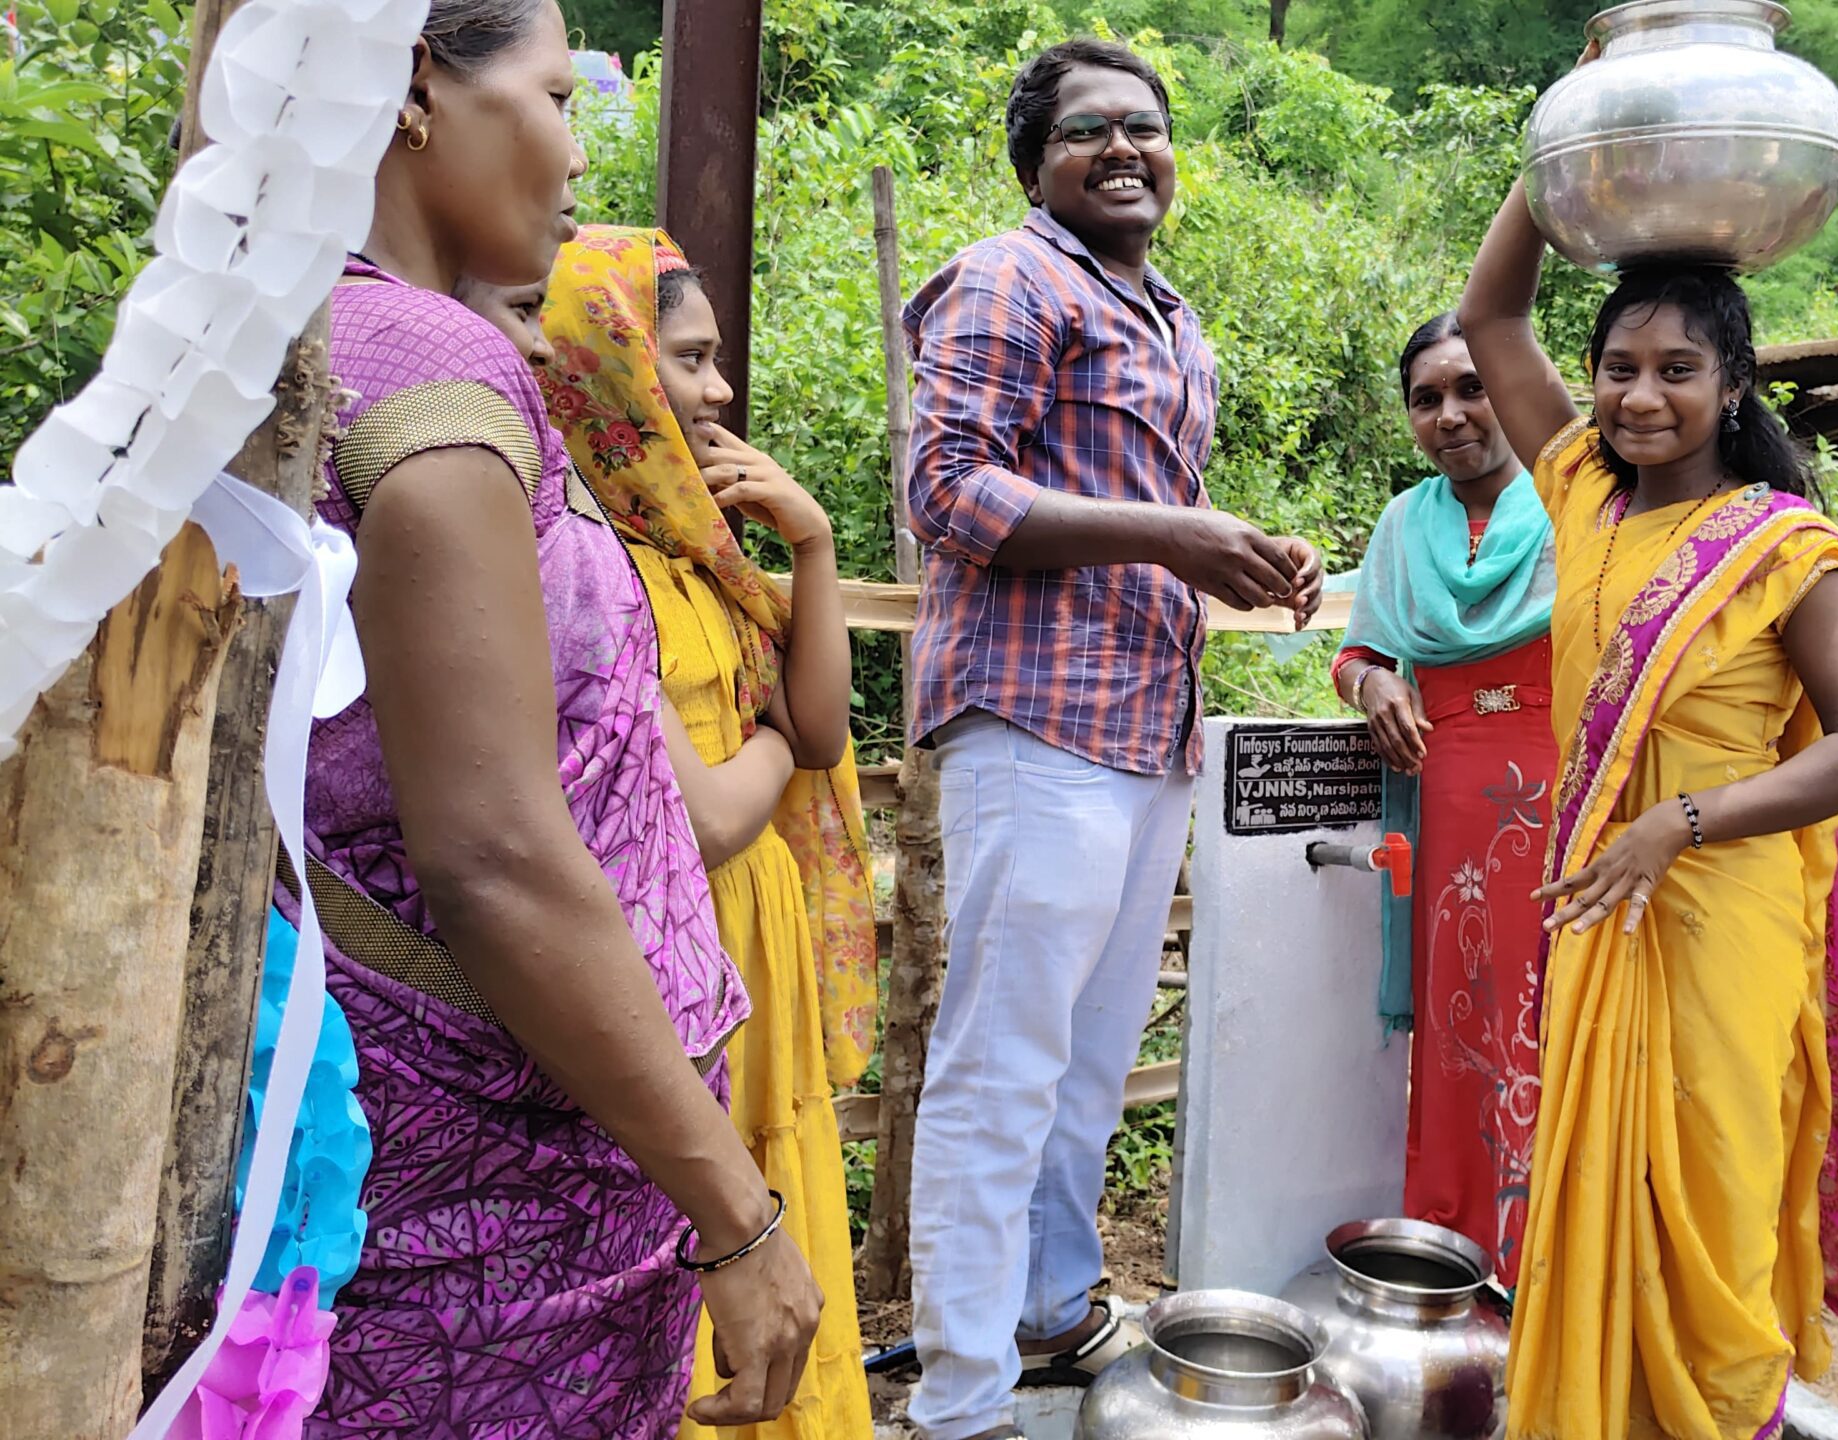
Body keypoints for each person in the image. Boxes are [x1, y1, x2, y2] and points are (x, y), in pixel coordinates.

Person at [291, 1, 818, 1433]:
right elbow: (496, 857)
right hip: (499, 1186)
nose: (580, 155)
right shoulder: (432, 377)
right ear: (415, 88)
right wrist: (738, 1215)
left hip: (474, 1140)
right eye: (557, 96)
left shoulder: (316, 333)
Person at [898, 38, 1322, 1440]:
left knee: (1084, 1066)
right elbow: (946, 492)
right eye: (1088, 130)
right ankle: (961, 1399)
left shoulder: (1172, 319)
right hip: (1035, 719)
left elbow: (1134, 508)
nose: (1125, 148)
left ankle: (1050, 1312)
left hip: (1144, 729)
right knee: (1002, 1066)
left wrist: (1238, 552)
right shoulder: (1008, 278)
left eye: (1145, 126)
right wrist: (1177, 535)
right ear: (1038, 164)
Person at [1457, 155, 1838, 1435]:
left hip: (1718, 914)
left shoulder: (1783, 550)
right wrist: (1552, 153)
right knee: (1596, 1195)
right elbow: (1490, 315)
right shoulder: (1581, 495)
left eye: (1677, 370)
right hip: (1602, 902)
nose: (1640, 397)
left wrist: (1679, 822)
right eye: (1618, 368)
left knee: (1707, 1200)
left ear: (1732, 385)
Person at [534, 226, 880, 1440]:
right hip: (675, 956)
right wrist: (775, 748)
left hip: (757, 944)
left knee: (780, 1204)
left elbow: (821, 728)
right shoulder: (582, 565)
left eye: (715, 358)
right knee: (703, 1238)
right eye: (687, 359)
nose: (719, 389)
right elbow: (713, 817)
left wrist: (812, 543)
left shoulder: (698, 549)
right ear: (611, 371)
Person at [1332, 311, 1555, 1286]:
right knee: (1460, 1025)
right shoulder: (1403, 524)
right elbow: (1356, 651)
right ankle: (1459, 1243)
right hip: (1450, 803)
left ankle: (1550, 1257)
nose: (1451, 415)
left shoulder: (1578, 502)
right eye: (1427, 399)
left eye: (1473, 388)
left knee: (1553, 1017)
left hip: (1564, 794)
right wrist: (1374, 682)